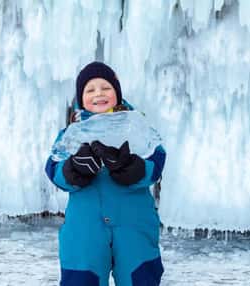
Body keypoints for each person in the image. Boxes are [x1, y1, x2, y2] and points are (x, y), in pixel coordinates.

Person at [45, 62, 166, 286]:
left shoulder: (136, 125)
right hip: (84, 230)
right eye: (90, 90)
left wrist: (135, 169)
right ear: (81, 98)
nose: (98, 93)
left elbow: (157, 159)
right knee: (81, 280)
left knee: (140, 279)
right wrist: (73, 170)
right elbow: (53, 168)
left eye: (106, 87)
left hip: (134, 227)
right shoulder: (72, 133)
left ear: (117, 93)